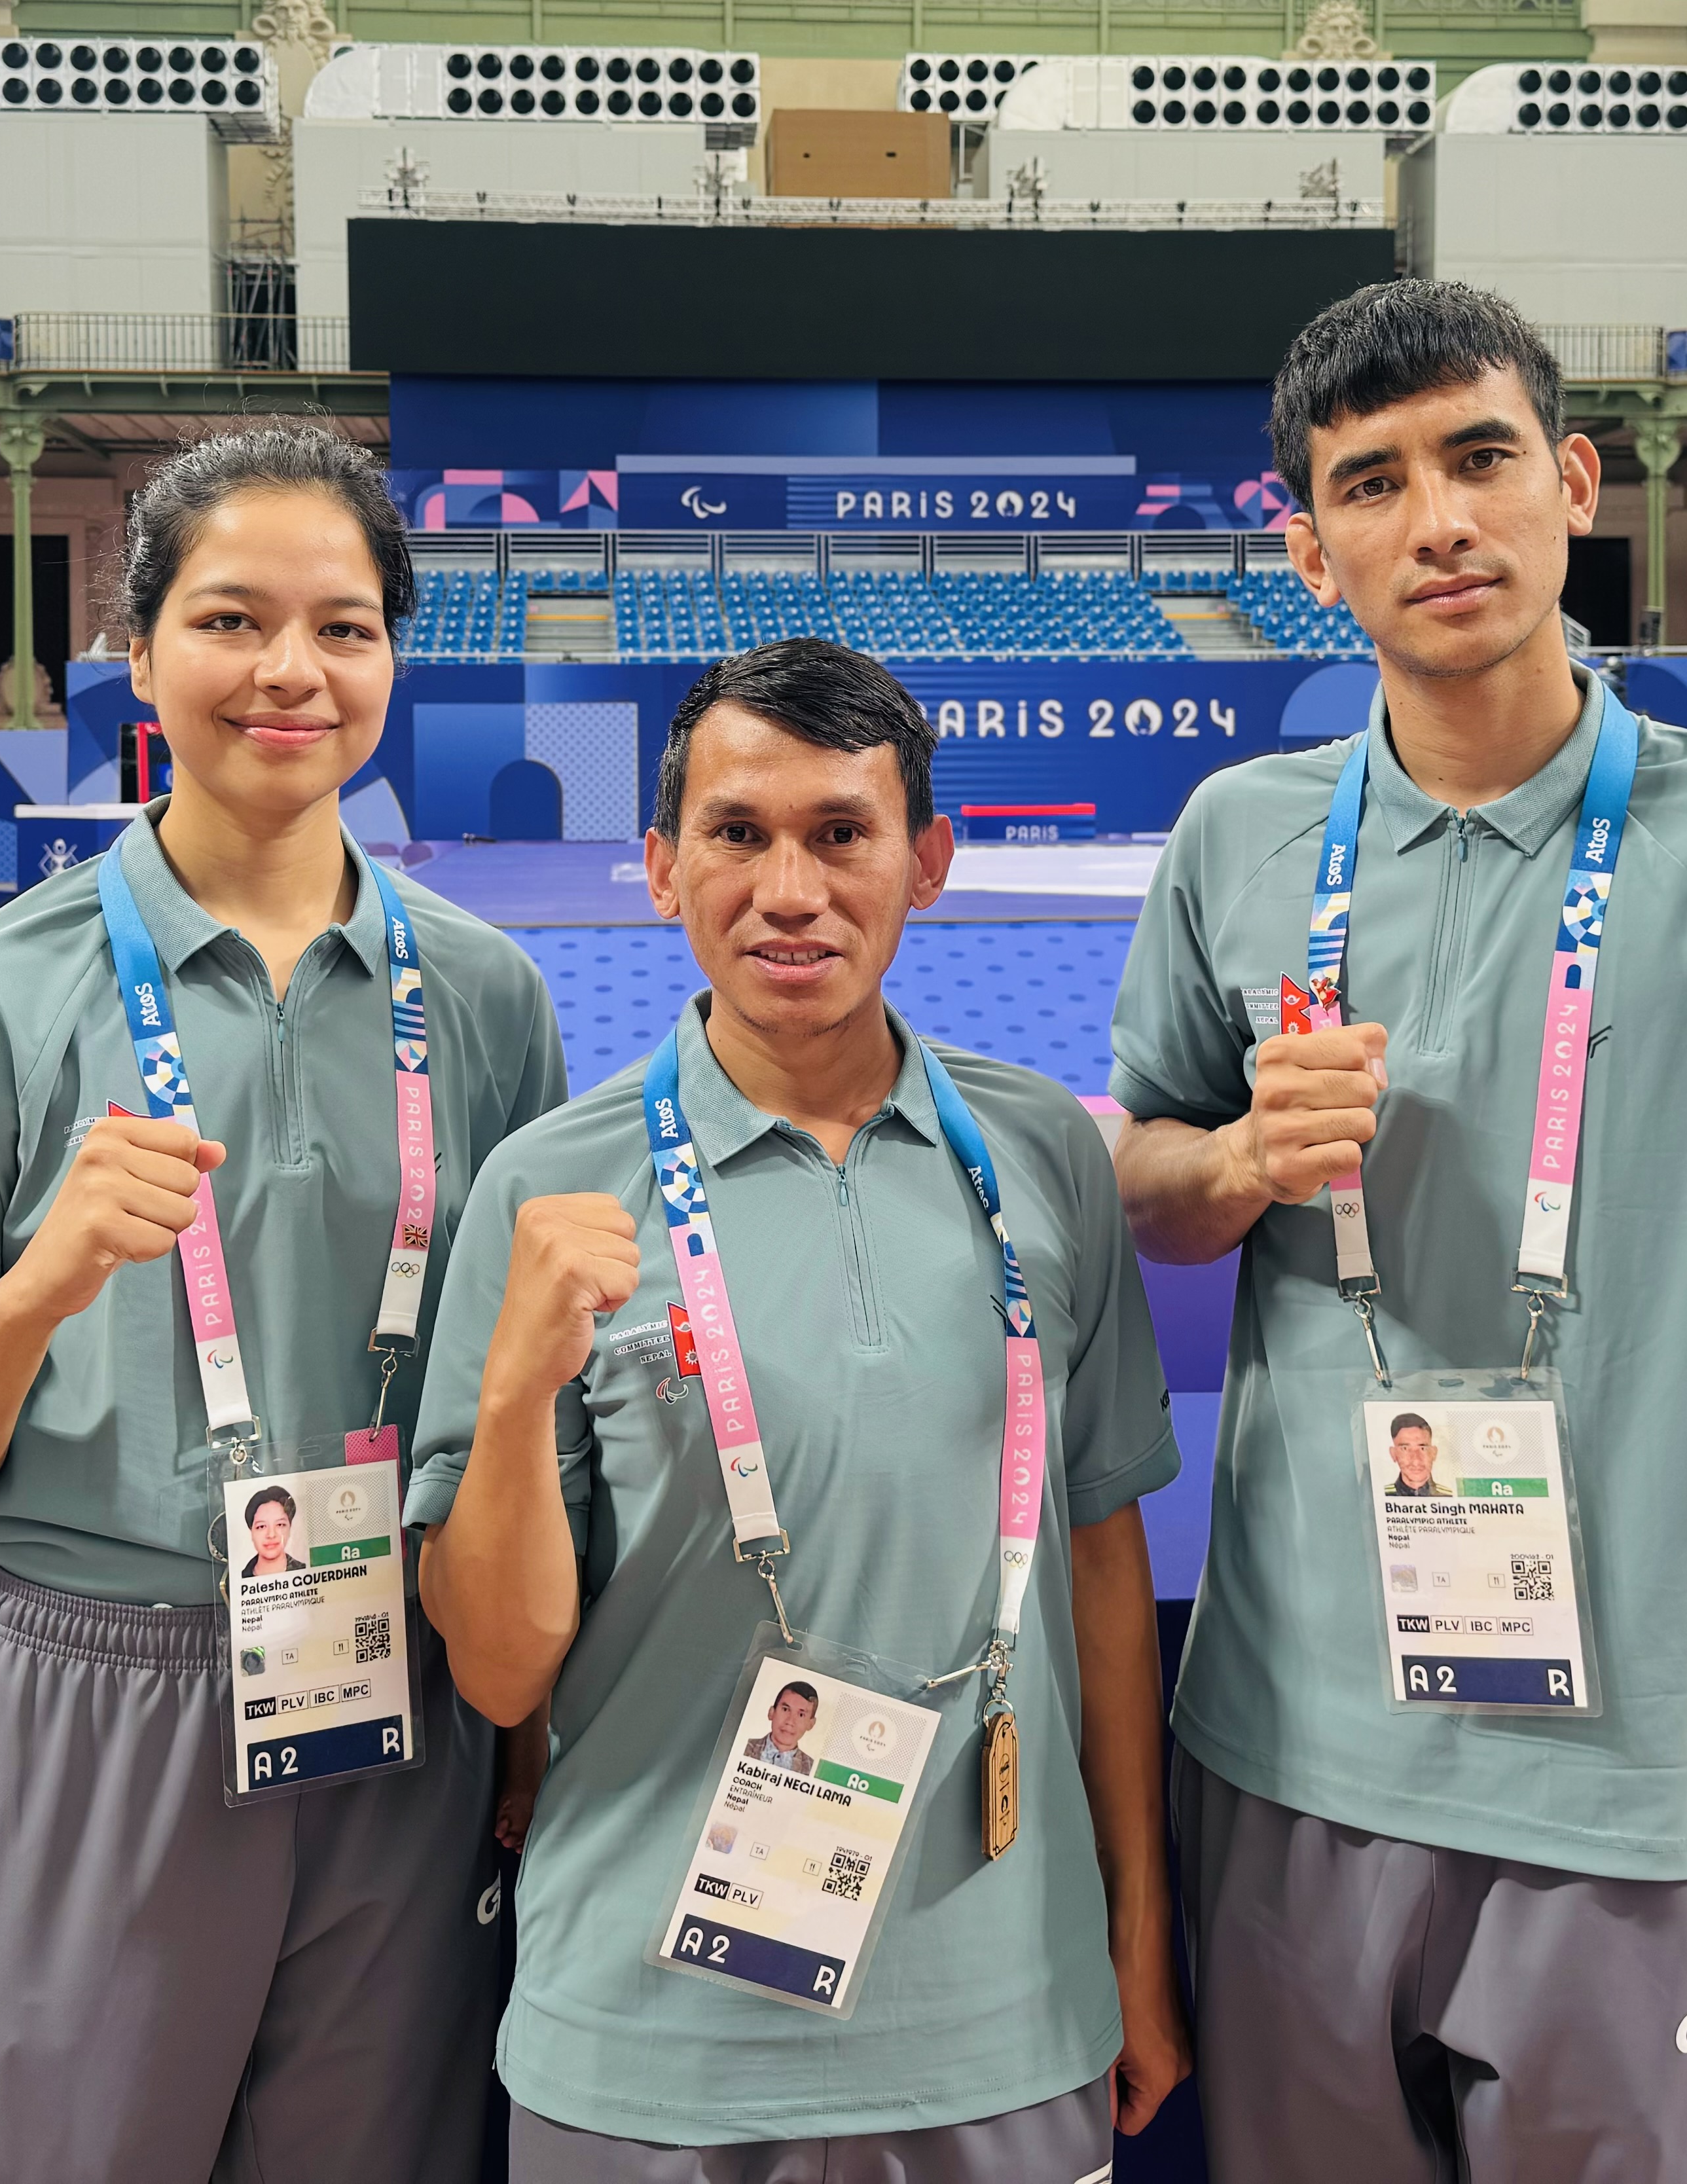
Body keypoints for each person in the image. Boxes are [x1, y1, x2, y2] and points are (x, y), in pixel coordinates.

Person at [1108, 282, 1687, 2183]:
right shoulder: (1234, 839)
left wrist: (1652, 1502)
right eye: (1372, 482)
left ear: (1571, 482)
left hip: (1617, 1773)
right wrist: (1240, 1160)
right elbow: (1147, 1192)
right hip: (1287, 1750)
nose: (1437, 521)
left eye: (1480, 458)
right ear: (1305, 546)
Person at [0, 424, 568, 2184]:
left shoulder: (487, 1001)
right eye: (231, 620)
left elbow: (512, 1413)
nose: (290, 671)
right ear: (136, 655)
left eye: (345, 627)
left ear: (392, 660)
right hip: (95, 1696)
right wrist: (38, 1285)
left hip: (396, 1698)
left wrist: (526, 1723)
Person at [411, 638, 1192, 2180]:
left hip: (1003, 2023)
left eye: (841, 833)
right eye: (737, 833)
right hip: (645, 2042)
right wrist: (511, 1390)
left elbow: (1102, 1564)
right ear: (657, 866)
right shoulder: (550, 1185)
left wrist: (1137, 1942)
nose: (790, 888)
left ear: (928, 862)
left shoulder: (1041, 1156)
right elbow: (498, 1671)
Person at [742, 1681, 819, 1774]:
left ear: (811, 1724)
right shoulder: (743, 1747)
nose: (790, 1721)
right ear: (771, 1713)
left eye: (801, 1715)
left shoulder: (813, 1769)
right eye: (785, 1709)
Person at [242, 1484, 304, 1576]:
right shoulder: (238, 1580)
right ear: (252, 1532)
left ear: (290, 1528)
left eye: (280, 1525)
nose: (271, 1535)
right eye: (262, 1526)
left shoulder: (306, 1572)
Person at [1384, 1413, 1449, 1498]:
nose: (1416, 1460)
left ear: (1434, 1453)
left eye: (1422, 1448)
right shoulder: (1382, 1496)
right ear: (1393, 1454)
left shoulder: (1449, 1497)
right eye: (1405, 1449)